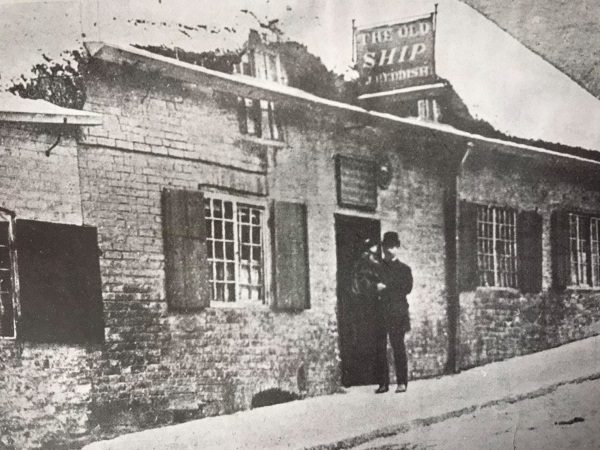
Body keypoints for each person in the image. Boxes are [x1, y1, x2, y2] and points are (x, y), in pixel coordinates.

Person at [374, 231, 413, 394]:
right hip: (381, 311)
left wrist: (386, 288)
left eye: (391, 247)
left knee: (398, 346)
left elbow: (407, 288)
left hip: (398, 312)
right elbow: (368, 285)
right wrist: (374, 287)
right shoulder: (377, 267)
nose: (388, 250)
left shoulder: (404, 269)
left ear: (397, 247)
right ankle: (383, 383)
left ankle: (402, 382)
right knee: (380, 347)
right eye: (385, 247)